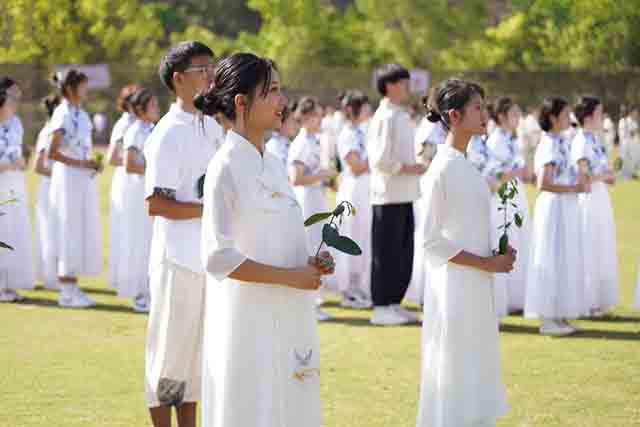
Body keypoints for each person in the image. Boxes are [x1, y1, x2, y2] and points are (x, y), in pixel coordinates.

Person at [197, 51, 334, 427]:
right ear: (242, 102)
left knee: (290, 406)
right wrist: (291, 277)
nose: (282, 101)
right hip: (248, 320)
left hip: (289, 312)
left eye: (280, 90)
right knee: (253, 406)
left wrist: (311, 262)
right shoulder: (224, 168)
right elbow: (217, 257)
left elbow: (281, 236)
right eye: (271, 91)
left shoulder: (274, 162)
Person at [417, 79, 514, 427]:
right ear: (455, 116)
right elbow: (430, 240)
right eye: (478, 108)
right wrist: (486, 262)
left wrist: (496, 253)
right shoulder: (440, 169)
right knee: (454, 360)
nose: (485, 114)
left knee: (475, 357)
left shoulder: (466, 164)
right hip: (454, 284)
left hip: (476, 280)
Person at [143, 41, 223, 427]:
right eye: (202, 69)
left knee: (195, 359)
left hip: (207, 258)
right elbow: (157, 204)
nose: (211, 76)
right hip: (177, 261)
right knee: (169, 358)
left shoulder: (211, 126)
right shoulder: (167, 134)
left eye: (212, 68)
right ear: (178, 80)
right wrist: (209, 210)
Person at [525, 97, 590, 336]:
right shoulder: (549, 144)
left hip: (566, 207)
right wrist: (574, 189)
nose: (569, 119)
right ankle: (548, 318)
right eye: (565, 115)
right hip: (554, 209)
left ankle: (560, 314)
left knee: (564, 259)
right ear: (552, 118)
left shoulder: (561, 141)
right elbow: (544, 183)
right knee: (551, 257)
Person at [367, 64, 425, 326]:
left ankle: (393, 302)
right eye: (403, 83)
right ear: (389, 85)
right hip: (387, 195)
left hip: (405, 193)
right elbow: (379, 160)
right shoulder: (384, 117)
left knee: (403, 253)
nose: (407, 88)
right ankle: (380, 306)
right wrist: (408, 168)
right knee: (386, 253)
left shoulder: (400, 114)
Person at [48, 70, 103, 308]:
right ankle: (66, 290)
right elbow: (53, 152)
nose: (86, 91)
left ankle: (73, 285)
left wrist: (92, 163)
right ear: (70, 89)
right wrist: (81, 163)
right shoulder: (62, 114)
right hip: (68, 179)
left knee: (81, 227)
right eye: (82, 87)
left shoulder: (81, 114)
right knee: (69, 227)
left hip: (82, 179)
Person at [288, 96, 337, 321]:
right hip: (307, 199)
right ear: (306, 117)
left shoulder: (313, 140)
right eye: (317, 115)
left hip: (316, 197)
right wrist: (323, 175)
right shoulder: (301, 143)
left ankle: (315, 298)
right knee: (310, 247)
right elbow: (296, 178)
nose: (321, 119)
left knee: (319, 245)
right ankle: (309, 300)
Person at [571, 96, 619, 317]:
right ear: (588, 116)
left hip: (600, 198)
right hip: (587, 200)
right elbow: (583, 176)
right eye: (600, 113)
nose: (603, 118)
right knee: (589, 247)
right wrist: (604, 176)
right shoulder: (580, 141)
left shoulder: (595, 140)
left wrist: (607, 176)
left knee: (602, 245)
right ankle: (587, 301)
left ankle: (599, 299)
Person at [485, 97, 531, 317]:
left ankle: (517, 297)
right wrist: (518, 173)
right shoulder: (495, 141)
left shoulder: (512, 139)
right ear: (501, 116)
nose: (517, 119)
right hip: (503, 197)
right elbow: (495, 175)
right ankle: (503, 298)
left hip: (516, 194)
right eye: (513, 114)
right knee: (507, 243)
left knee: (520, 241)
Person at [117, 89, 161, 312]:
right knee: (138, 241)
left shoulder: (154, 129)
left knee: (151, 241)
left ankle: (151, 290)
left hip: (150, 191)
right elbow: (129, 164)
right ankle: (138, 293)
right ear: (141, 110)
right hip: (137, 193)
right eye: (153, 105)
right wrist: (155, 169)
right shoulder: (134, 131)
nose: (157, 108)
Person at [405, 93, 447, 307]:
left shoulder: (442, 127)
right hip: (430, 187)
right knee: (428, 236)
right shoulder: (431, 128)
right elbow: (424, 160)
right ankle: (424, 291)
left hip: (441, 186)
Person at [334, 90, 372, 309]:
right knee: (351, 236)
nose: (368, 110)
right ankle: (347, 290)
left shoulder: (362, 131)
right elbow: (356, 166)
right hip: (353, 190)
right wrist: (376, 158)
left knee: (363, 237)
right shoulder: (347, 134)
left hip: (365, 190)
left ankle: (359, 286)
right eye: (364, 106)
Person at [0, 77, 35, 302]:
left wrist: (20, 162)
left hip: (14, 183)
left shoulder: (16, 123)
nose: (15, 102)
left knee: (14, 231)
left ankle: (9, 284)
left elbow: (19, 152)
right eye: (11, 97)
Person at [107, 84, 140, 291]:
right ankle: (125, 280)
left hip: (138, 182)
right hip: (127, 182)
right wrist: (137, 164)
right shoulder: (124, 125)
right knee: (126, 231)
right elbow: (112, 157)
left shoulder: (142, 125)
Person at [33, 94, 61, 290]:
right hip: (49, 189)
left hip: (59, 189)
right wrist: (62, 175)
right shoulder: (48, 132)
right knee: (49, 231)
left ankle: (59, 275)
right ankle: (50, 277)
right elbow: (39, 166)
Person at [265, 100, 299, 170]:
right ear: (281, 123)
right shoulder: (274, 147)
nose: (295, 125)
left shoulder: (286, 143)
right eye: (292, 120)